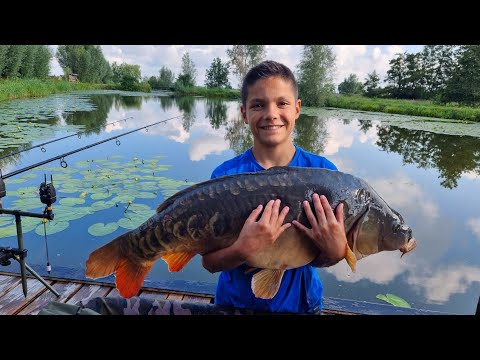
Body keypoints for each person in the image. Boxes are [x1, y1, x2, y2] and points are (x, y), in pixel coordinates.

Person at [201, 60, 348, 314]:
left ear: (297, 109)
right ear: (244, 113)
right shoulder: (225, 177)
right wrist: (243, 249)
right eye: (258, 104)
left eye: (282, 103)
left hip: (302, 306)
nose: (271, 113)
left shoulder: (324, 174)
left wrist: (336, 251)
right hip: (234, 305)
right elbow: (210, 263)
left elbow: (326, 257)